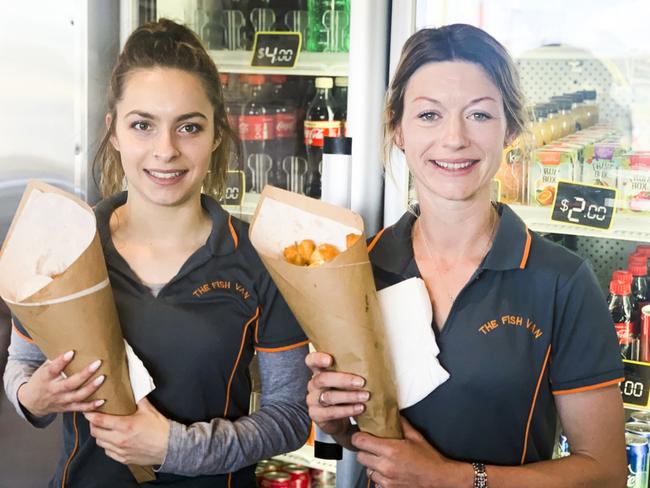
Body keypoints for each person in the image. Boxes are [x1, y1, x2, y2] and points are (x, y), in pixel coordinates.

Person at [306, 24, 626, 488]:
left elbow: (605, 471)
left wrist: (452, 478)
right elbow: (366, 435)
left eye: (478, 115)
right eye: (429, 116)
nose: (454, 138)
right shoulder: (358, 268)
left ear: (510, 129)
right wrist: (338, 422)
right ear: (397, 128)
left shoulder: (560, 281)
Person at [4, 19, 311, 487]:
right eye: (143, 125)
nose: (165, 150)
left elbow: (290, 416)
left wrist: (173, 448)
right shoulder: (65, 245)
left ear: (215, 135)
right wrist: (34, 396)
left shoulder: (261, 258)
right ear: (114, 132)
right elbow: (21, 367)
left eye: (188, 127)